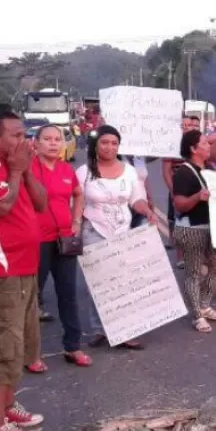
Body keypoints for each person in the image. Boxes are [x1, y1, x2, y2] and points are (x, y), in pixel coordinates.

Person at [0, 109, 48, 431]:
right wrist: (17, 172)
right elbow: (1, 205)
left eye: (24, 133)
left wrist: (26, 172)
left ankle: (9, 405)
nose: (24, 139)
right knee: (0, 348)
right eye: (16, 135)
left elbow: (41, 203)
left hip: (26, 268)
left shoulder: (17, 163)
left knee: (21, 345)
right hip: (0, 272)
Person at [78, 125, 158, 349]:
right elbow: (77, 203)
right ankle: (98, 329)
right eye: (105, 142)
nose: (109, 147)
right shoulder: (84, 172)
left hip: (123, 231)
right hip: (93, 230)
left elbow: (137, 199)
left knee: (123, 282)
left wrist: (147, 211)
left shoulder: (130, 171)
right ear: (96, 145)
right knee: (98, 282)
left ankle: (124, 331)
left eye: (114, 143)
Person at [30, 125, 93, 371]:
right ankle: (31, 353)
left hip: (64, 239)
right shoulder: (29, 169)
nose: (54, 144)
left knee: (68, 293)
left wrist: (76, 220)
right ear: (36, 143)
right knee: (31, 297)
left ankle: (73, 346)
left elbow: (78, 195)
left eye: (57, 139)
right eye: (47, 139)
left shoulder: (66, 169)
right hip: (37, 240)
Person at [172, 130, 216, 332]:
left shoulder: (209, 168)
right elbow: (179, 204)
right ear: (193, 148)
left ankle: (204, 304)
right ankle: (197, 315)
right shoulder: (183, 172)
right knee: (194, 272)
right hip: (192, 228)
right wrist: (197, 197)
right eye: (205, 143)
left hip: (213, 228)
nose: (209, 146)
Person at [163, 115, 201, 255]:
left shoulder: (198, 146)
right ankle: (180, 253)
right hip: (178, 187)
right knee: (177, 219)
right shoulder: (172, 146)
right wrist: (173, 191)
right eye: (182, 125)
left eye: (189, 125)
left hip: (195, 188)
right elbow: (166, 171)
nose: (186, 127)